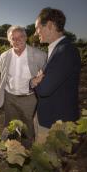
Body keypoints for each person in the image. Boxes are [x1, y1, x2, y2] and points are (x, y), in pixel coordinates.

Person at [32, 7, 81, 143]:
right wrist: (37, 80)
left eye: (37, 28)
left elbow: (44, 89)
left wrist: (36, 81)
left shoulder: (65, 51)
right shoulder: (57, 49)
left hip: (55, 125)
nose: (36, 33)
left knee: (48, 163)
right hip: (50, 118)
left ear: (50, 25)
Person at [0, 26, 47, 148]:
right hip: (10, 97)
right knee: (10, 127)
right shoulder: (4, 56)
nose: (17, 40)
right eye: (13, 38)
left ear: (26, 37)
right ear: (9, 40)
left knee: (27, 129)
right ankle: (10, 153)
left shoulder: (39, 55)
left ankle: (26, 154)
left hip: (29, 98)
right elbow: (3, 77)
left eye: (20, 37)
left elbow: (46, 74)